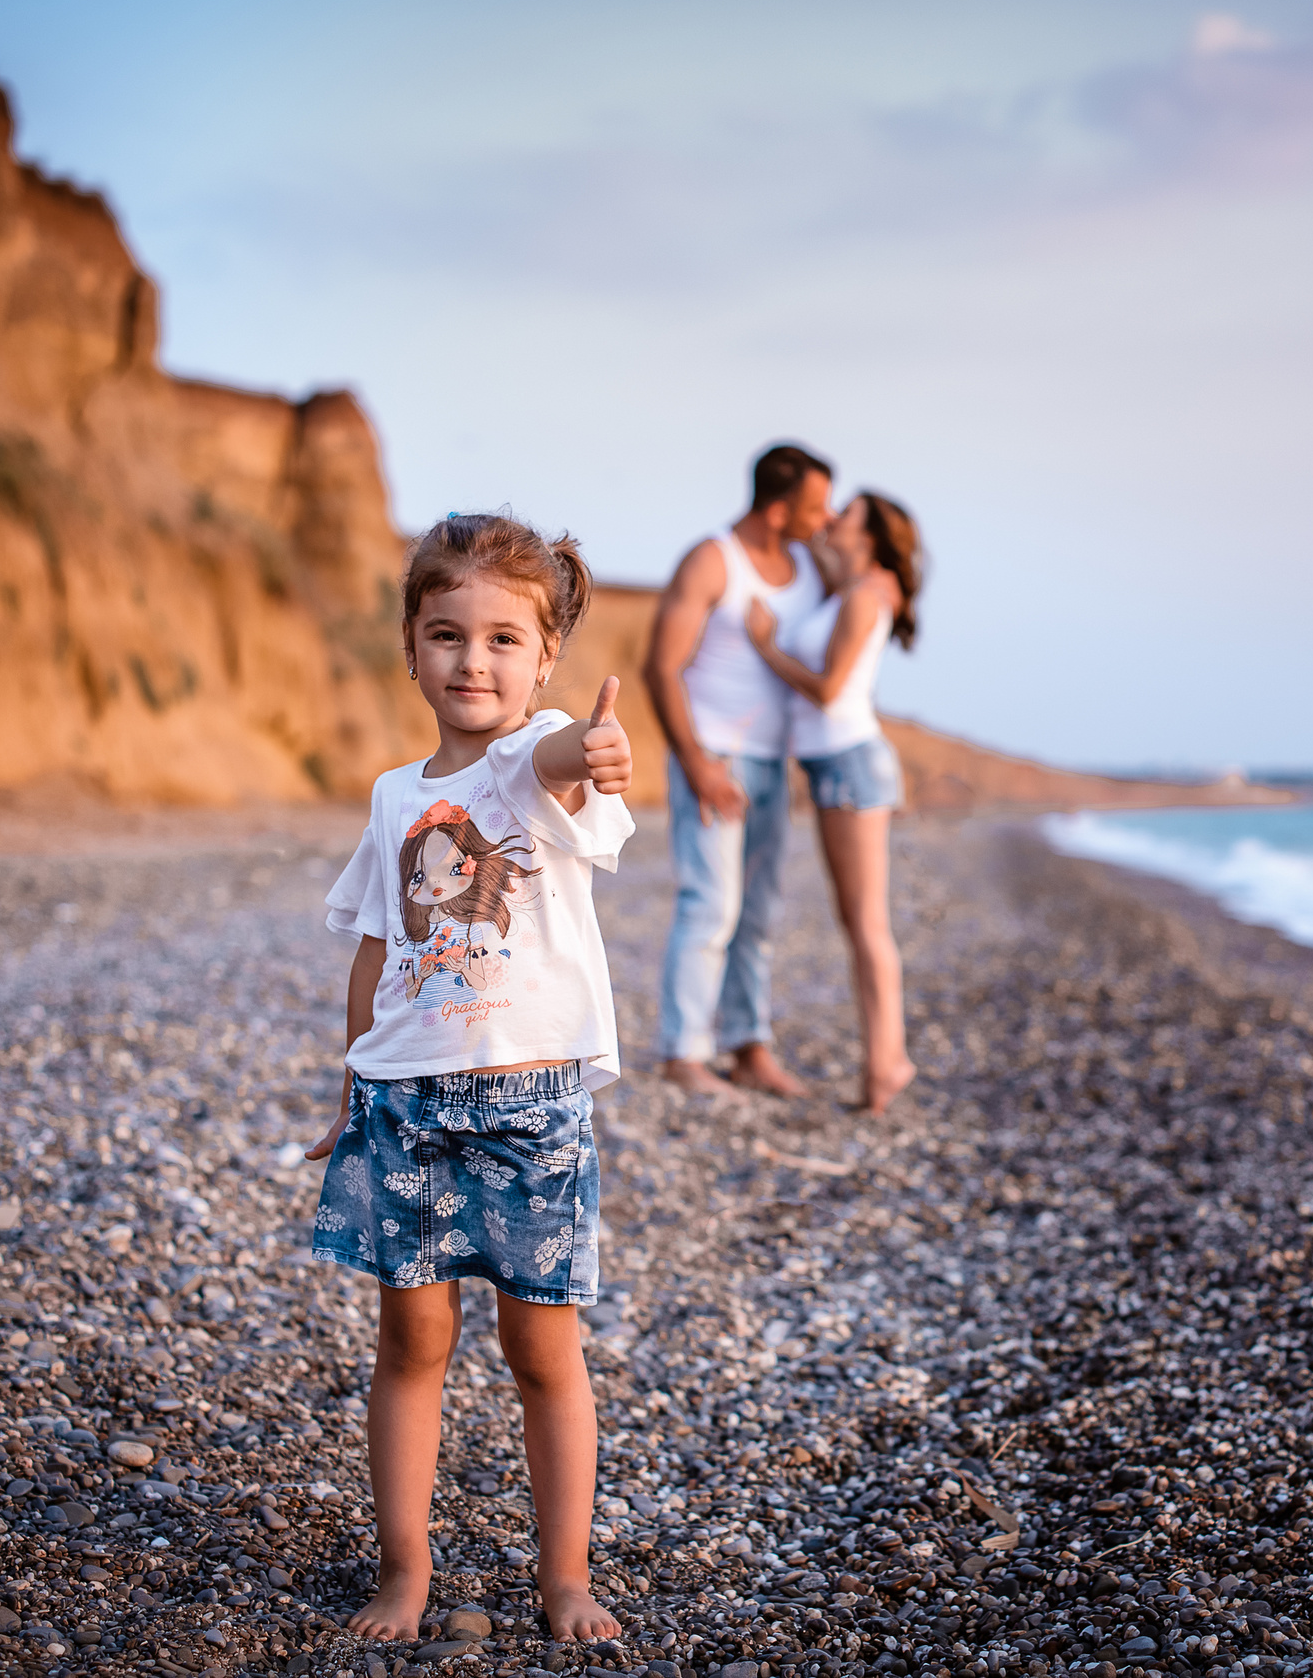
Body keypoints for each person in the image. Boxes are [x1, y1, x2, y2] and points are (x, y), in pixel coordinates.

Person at [304, 513, 635, 1646]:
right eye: (447, 634)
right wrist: (351, 1087)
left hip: (531, 1108)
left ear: (544, 660)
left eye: (503, 639)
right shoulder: (398, 796)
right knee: (412, 1346)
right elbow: (371, 949)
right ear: (410, 646)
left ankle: (566, 1577)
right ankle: (405, 1570)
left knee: (543, 1351)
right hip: (403, 1107)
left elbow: (548, 762)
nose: (472, 661)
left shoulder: (539, 761)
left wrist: (588, 754)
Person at [642, 442, 833, 1097]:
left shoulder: (811, 565)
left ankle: (750, 1048)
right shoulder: (711, 559)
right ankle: (684, 1053)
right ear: (778, 510)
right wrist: (695, 763)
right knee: (711, 905)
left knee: (760, 911)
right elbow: (660, 666)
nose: (826, 517)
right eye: (816, 505)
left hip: (772, 762)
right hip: (713, 756)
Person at [745, 490, 922, 1113]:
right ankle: (886, 1060)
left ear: (870, 535)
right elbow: (816, 546)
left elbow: (827, 689)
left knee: (867, 923)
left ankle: (886, 1064)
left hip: (849, 762)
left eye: (845, 515)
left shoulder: (866, 594)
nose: (832, 520)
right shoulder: (851, 586)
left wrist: (767, 647)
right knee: (858, 923)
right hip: (833, 765)